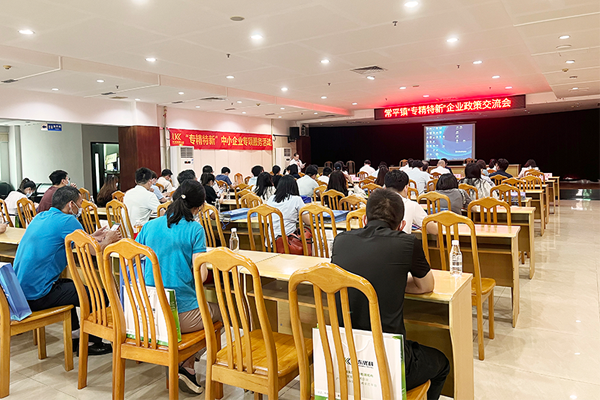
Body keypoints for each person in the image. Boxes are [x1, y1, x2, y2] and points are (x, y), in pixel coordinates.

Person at [331, 189, 449, 399]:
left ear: (364, 219)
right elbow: (426, 286)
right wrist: (394, 280)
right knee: (442, 364)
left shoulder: (340, 240)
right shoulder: (408, 243)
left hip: (344, 357)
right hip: (388, 361)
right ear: (402, 225)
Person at [136, 180, 222, 394]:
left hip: (148, 311)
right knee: (224, 311)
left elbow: (137, 258)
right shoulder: (195, 229)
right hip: (179, 313)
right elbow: (201, 275)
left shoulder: (150, 226)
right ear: (199, 207)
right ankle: (188, 362)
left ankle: (184, 361)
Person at [14, 186, 120, 356]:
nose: (81, 207)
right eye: (80, 203)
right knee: (99, 296)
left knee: (70, 286)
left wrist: (91, 236)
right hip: (38, 295)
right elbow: (94, 250)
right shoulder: (67, 220)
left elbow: (69, 238)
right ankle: (91, 343)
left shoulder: (40, 216)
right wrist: (108, 239)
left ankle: (75, 338)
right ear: (71, 204)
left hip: (20, 293)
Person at [384, 170, 437, 234]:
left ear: (385, 188)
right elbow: (434, 230)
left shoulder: (375, 203)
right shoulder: (411, 205)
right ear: (406, 188)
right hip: (401, 240)